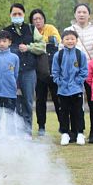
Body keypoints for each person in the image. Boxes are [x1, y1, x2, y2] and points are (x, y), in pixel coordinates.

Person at [3, 3, 41, 132]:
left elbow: (42, 46)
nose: (17, 16)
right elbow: (0, 48)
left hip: (29, 71)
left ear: (24, 14)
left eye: (19, 13)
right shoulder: (6, 31)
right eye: (14, 14)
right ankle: (14, 132)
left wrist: (29, 47)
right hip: (12, 72)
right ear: (10, 15)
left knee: (28, 101)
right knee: (14, 101)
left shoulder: (31, 28)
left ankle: (27, 131)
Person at [53, 28, 89, 146]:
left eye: (72, 39)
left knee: (78, 112)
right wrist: (59, 82)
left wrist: (78, 81)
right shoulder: (58, 55)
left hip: (76, 89)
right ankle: (65, 133)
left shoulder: (80, 54)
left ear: (76, 40)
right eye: (67, 39)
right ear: (62, 41)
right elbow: (55, 71)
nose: (70, 41)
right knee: (64, 112)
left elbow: (84, 71)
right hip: (62, 90)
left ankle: (79, 133)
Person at [29, 8, 61, 138]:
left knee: (57, 99)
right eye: (35, 19)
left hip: (53, 69)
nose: (38, 21)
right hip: (38, 71)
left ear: (44, 19)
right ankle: (41, 127)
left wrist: (38, 45)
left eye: (40, 18)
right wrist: (41, 44)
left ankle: (63, 125)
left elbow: (55, 42)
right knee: (40, 100)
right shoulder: (30, 31)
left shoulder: (51, 28)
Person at [0, 31, 20, 139]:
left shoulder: (14, 58)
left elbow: (16, 74)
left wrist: (13, 85)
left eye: (4, 41)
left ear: (9, 42)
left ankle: (11, 134)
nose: (1, 43)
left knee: (10, 114)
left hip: (10, 92)